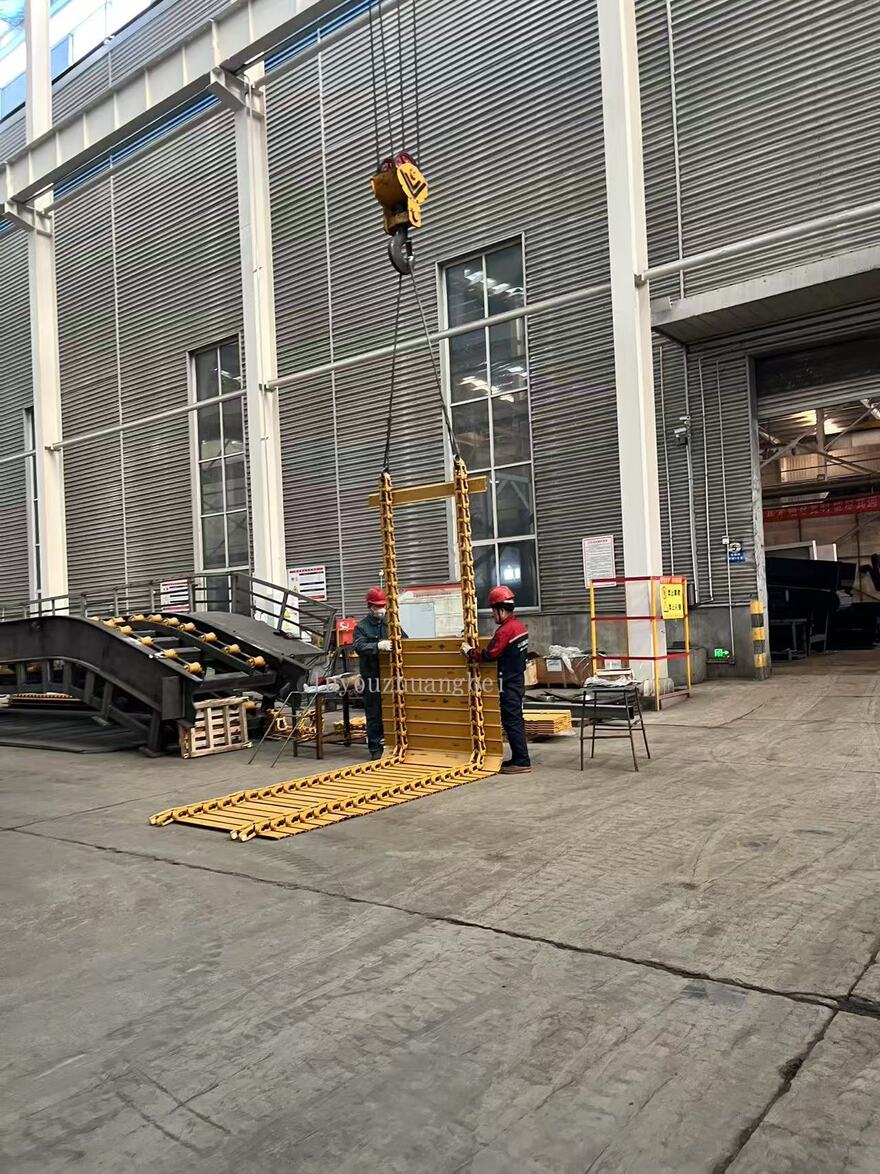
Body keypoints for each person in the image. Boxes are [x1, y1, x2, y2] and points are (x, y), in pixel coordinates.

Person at [461, 585, 531, 774]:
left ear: (501, 609)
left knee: (512, 721)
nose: (493, 615)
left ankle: (522, 761)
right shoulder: (519, 626)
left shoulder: (505, 631)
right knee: (515, 720)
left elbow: (490, 654)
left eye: (493, 610)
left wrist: (470, 652)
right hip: (517, 679)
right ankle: (518, 758)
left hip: (509, 682)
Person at [354, 586, 393, 758]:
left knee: (393, 709)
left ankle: (393, 744)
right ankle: (376, 749)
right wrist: (377, 646)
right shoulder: (361, 627)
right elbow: (359, 646)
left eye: (383, 606)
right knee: (374, 713)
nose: (381, 609)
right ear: (370, 607)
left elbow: (404, 639)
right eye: (378, 606)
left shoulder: (390, 623)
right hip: (372, 676)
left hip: (391, 676)